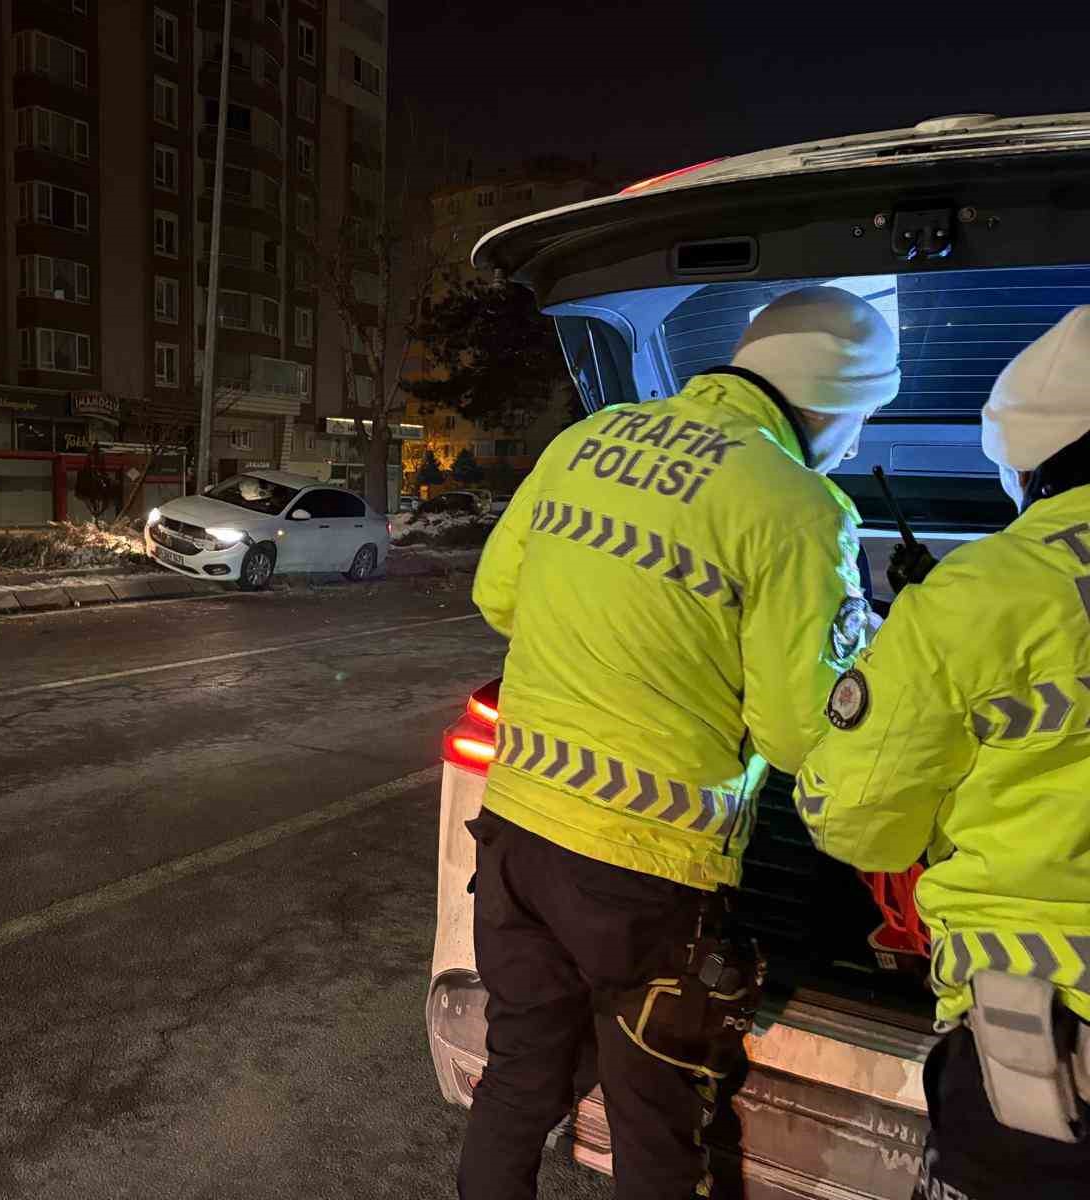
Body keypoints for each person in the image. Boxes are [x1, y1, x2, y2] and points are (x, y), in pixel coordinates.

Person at [460, 286, 900, 1200]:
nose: (855, 445)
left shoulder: (588, 440)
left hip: (516, 838)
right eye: (859, 417)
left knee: (518, 1082)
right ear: (830, 400)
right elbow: (795, 732)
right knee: (655, 1131)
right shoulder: (800, 506)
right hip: (647, 872)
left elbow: (497, 597)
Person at [793, 307, 1090, 1199]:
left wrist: (920, 662)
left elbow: (856, 820)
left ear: (1027, 462)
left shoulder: (983, 595)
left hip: (1045, 1071)